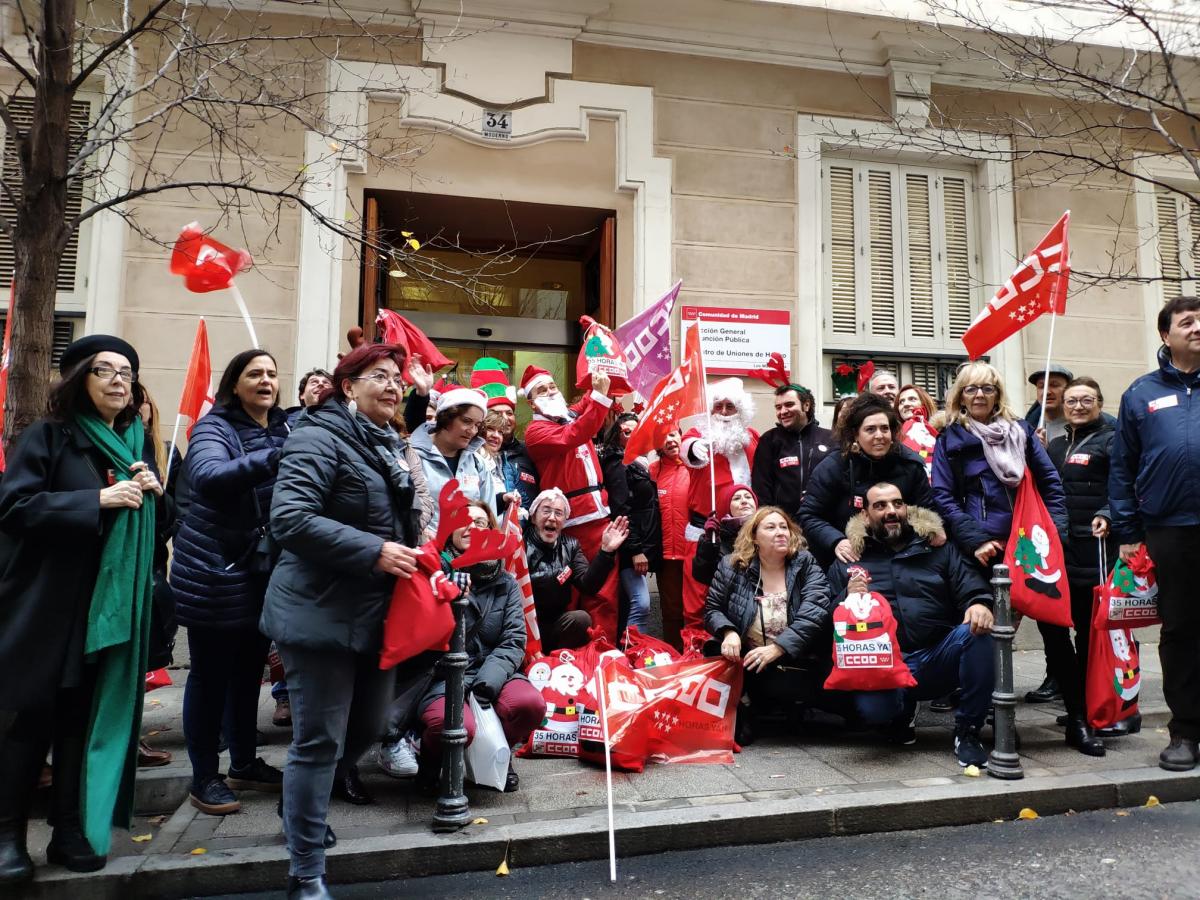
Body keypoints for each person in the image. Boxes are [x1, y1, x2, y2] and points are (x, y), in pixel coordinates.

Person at [261, 343, 424, 898]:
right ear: (348, 385)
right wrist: (373, 550)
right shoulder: (316, 436)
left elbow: (402, 524)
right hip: (318, 611)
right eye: (379, 376)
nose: (393, 386)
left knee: (369, 726)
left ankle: (296, 806)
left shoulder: (388, 445)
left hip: (376, 617)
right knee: (318, 741)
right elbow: (290, 518)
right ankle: (305, 870)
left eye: (398, 379)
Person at [0, 335, 162, 883]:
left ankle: (69, 832)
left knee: (81, 720)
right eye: (104, 370)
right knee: (32, 720)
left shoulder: (137, 443)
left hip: (107, 610)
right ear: (77, 381)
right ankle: (8, 836)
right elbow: (14, 505)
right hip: (48, 607)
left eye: (127, 372)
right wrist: (97, 499)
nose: (120, 380)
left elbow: (164, 526)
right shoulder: (49, 437)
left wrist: (155, 493)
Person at [929, 362, 1087, 749]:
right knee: (985, 636)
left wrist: (1056, 533)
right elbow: (943, 497)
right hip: (983, 549)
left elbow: (1051, 485)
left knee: (1055, 633)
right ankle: (993, 720)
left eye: (987, 388)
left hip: (1031, 545)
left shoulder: (1021, 433)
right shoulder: (950, 437)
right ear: (960, 396)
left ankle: (1078, 721)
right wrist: (973, 539)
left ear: (998, 394)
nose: (980, 395)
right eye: (971, 390)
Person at [171, 350, 290, 816]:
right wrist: (274, 458)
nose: (266, 380)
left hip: (262, 571)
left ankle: (243, 762)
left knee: (248, 674)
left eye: (272, 373)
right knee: (209, 677)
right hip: (215, 571)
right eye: (254, 373)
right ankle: (204, 777)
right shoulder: (213, 428)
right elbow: (208, 476)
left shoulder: (284, 426)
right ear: (233, 385)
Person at [826, 483, 996, 767]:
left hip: (937, 657)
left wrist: (979, 602)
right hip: (881, 667)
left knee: (977, 633)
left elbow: (970, 586)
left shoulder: (938, 549)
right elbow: (826, 614)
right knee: (875, 712)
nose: (891, 511)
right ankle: (900, 713)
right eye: (880, 506)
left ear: (907, 509)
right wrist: (846, 598)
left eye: (897, 504)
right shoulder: (850, 560)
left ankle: (968, 732)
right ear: (865, 516)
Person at [1110, 295, 1200, 771]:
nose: (1197, 327)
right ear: (1166, 335)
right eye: (1187, 321)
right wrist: (1127, 531)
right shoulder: (1141, 393)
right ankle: (1185, 732)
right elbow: (1122, 468)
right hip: (1169, 529)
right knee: (1181, 630)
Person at [417, 501, 546, 793]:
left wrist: (488, 681)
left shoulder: (506, 582)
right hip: (443, 677)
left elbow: (514, 640)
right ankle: (430, 764)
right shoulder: (432, 574)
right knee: (456, 726)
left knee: (530, 705)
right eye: (464, 521)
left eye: (480, 523)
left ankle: (500, 755)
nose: (472, 527)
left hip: (492, 673)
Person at [704, 507, 834, 744]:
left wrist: (779, 647)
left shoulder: (805, 562)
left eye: (784, 527)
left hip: (796, 657)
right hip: (749, 655)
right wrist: (728, 632)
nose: (780, 532)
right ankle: (745, 708)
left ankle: (778, 704)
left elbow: (815, 611)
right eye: (771, 527)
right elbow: (712, 609)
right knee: (715, 649)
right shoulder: (732, 566)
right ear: (754, 537)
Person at [521, 365, 621, 640]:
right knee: (573, 595)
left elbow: (588, 400)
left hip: (599, 516)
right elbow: (576, 433)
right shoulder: (536, 431)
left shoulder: (568, 414)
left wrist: (600, 358)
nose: (551, 391)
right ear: (531, 401)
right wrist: (600, 396)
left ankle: (603, 655)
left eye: (553, 386)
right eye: (542, 389)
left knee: (606, 596)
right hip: (570, 522)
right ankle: (575, 659)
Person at [1047, 376, 1116, 751]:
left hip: (1094, 551)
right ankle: (1076, 709)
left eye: (1086, 399)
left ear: (1099, 402)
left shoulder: (1113, 439)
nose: (1077, 406)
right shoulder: (1055, 444)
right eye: (1071, 400)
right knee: (1055, 634)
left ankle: (1087, 714)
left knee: (1089, 638)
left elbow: (1126, 485)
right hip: (1055, 554)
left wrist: (1107, 512)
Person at [797, 393, 936, 569]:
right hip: (849, 559)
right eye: (870, 429)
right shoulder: (833, 466)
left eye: (885, 429)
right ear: (855, 434)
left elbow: (927, 509)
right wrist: (836, 541)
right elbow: (809, 515)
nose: (879, 435)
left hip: (903, 556)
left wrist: (927, 533)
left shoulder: (910, 465)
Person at [680, 377, 760, 627]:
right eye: (718, 406)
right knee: (697, 599)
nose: (724, 413)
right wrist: (695, 448)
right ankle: (698, 654)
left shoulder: (752, 438)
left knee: (741, 598)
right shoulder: (699, 435)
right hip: (706, 532)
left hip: (744, 533)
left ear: (741, 410)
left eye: (730, 407)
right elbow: (687, 450)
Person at [524, 488, 628, 651]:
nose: (552, 518)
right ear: (533, 517)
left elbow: (588, 585)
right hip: (525, 624)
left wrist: (606, 552)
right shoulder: (520, 545)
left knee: (581, 619)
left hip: (555, 624)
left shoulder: (570, 545)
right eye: (546, 511)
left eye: (559, 513)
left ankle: (558, 659)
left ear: (564, 521)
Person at [598, 413, 661, 634]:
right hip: (630, 546)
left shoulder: (640, 462)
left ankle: (629, 652)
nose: (633, 435)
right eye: (627, 431)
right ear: (617, 434)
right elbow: (621, 509)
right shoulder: (617, 462)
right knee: (641, 603)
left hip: (644, 543)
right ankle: (635, 654)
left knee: (628, 603)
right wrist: (635, 550)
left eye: (638, 431)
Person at [410, 386, 496, 533]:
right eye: (466, 421)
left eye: (477, 425)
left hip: (467, 552)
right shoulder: (412, 455)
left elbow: (489, 515)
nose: (472, 430)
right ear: (446, 417)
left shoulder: (478, 463)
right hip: (423, 550)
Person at [752, 383, 836, 523]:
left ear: (806, 405)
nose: (783, 411)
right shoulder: (769, 440)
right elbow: (761, 487)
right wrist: (768, 521)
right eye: (778, 407)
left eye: (789, 405)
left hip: (823, 523)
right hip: (784, 526)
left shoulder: (831, 439)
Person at [651, 429, 690, 649]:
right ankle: (674, 655)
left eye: (673, 434)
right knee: (671, 610)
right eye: (662, 437)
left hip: (694, 552)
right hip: (665, 555)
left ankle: (698, 656)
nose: (669, 440)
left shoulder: (697, 467)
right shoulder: (651, 471)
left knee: (697, 608)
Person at [693, 483, 759, 586]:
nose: (744, 501)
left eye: (748, 497)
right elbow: (703, 576)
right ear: (727, 507)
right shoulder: (720, 537)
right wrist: (709, 544)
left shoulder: (769, 529)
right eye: (737, 498)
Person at [1024, 365, 1073, 445]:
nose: (1047, 392)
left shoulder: (1081, 425)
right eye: (1041, 386)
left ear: (1068, 390)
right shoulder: (1028, 425)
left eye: (1054, 385)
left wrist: (1047, 452)